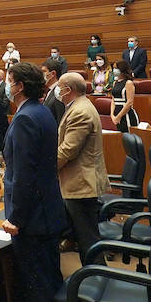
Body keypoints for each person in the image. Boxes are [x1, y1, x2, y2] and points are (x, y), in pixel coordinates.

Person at [0, 61, 75, 302]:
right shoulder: (40, 111)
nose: (6, 84)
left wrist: (15, 218)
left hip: (34, 221)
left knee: (38, 293)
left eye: (9, 79)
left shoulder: (27, 117)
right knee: (50, 288)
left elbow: (27, 175)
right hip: (45, 214)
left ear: (18, 86)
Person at [56, 72, 108, 257]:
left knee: (88, 240)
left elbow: (68, 150)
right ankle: (94, 276)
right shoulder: (78, 106)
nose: (57, 90)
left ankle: (98, 278)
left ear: (68, 90)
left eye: (59, 87)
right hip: (77, 181)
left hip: (81, 183)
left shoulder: (80, 111)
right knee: (84, 237)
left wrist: (47, 169)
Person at [109, 59, 138, 133]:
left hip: (127, 115)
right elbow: (113, 100)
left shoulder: (128, 83)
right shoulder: (115, 83)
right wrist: (112, 115)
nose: (114, 70)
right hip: (116, 114)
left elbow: (129, 102)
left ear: (122, 69)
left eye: (116, 68)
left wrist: (119, 116)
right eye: (114, 68)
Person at [41, 57, 66, 123]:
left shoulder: (59, 93)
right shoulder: (49, 90)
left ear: (53, 74)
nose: (41, 74)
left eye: (44, 71)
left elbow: (60, 120)